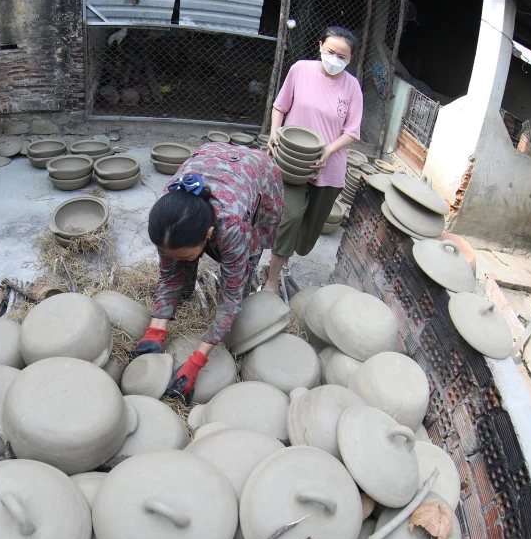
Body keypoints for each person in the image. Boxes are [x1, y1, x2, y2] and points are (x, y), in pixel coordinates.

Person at [133, 142, 285, 402]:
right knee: (177, 262)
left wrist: (197, 360)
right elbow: (169, 276)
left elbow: (229, 300)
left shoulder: (232, 227)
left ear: (209, 234)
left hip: (255, 173)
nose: (172, 259)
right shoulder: (169, 220)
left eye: (185, 254)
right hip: (210, 158)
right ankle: (186, 291)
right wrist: (155, 332)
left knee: (242, 271)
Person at [266, 25, 363, 288]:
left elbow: (352, 131)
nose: (335, 59)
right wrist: (274, 133)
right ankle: (272, 280)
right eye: (331, 51)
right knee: (292, 216)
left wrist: (328, 150)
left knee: (308, 233)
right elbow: (280, 105)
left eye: (342, 57)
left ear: (350, 59)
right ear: (320, 46)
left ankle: (284, 257)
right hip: (293, 162)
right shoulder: (300, 69)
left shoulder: (352, 87)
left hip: (328, 168)